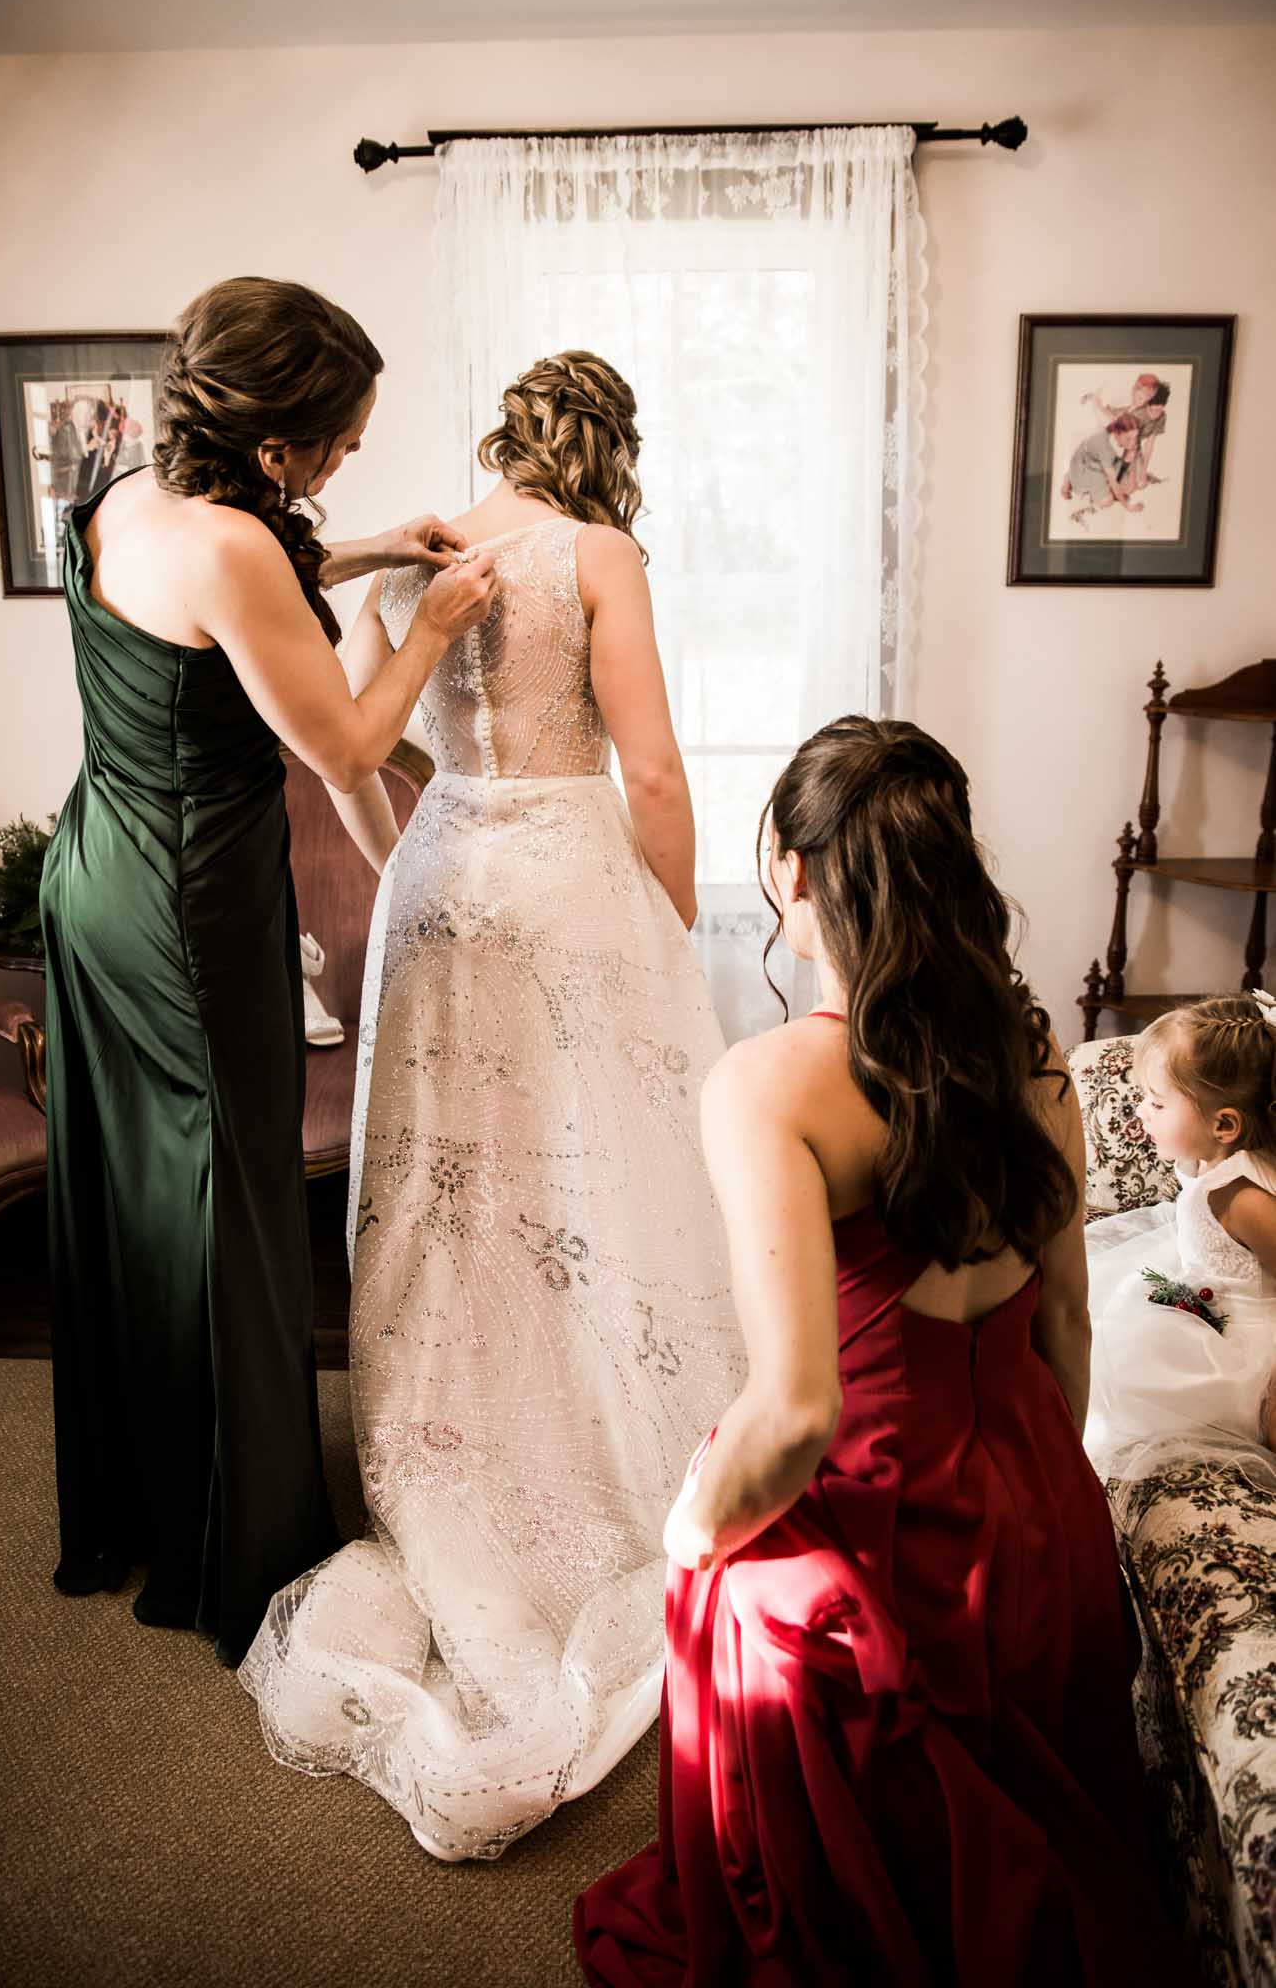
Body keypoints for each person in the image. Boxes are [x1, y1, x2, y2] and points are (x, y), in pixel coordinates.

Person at [575, 717, 1183, 1985]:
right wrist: (1039, 1514)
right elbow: (1067, 1327)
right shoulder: (1039, 1059)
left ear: (791, 872)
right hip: (1036, 1515)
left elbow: (799, 1412)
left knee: (720, 1551)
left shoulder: (768, 1083)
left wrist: (690, 1534)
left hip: (880, 1532)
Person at [240, 351, 744, 1858]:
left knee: (449, 1185)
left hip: (443, 870)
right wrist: (669, 918)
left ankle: (444, 1438)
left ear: (503, 441)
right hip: (569, 877)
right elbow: (652, 769)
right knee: (596, 1174)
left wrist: (414, 853)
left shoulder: (420, 554)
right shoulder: (596, 556)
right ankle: (601, 1433)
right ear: (608, 446)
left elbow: (363, 744)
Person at [40, 276, 497, 1668]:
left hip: (94, 873)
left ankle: (138, 1495)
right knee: (228, 1198)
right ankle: (233, 1538)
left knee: (137, 1191)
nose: (350, 459)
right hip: (189, 907)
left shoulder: (124, 490)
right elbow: (347, 746)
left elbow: (226, 595)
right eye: (342, 442)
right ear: (276, 445)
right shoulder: (238, 544)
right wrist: (433, 620)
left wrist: (362, 550)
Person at [1084, 994, 1276, 1488]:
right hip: (1203, 1298)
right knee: (1103, 1320)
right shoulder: (1209, 1162)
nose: (1141, 1112)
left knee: (1128, 1365)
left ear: (1224, 1125)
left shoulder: (1243, 1197)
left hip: (1244, 1343)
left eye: (1157, 1103)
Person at [1061, 413, 1145, 524]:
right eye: (1128, 438)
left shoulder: (1114, 435)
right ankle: (1076, 486)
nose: (1133, 442)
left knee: (1127, 485)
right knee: (1108, 501)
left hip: (1095, 465)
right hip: (1084, 470)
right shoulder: (1105, 447)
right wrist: (1128, 506)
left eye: (1135, 438)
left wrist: (1130, 456)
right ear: (1117, 433)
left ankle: (1072, 480)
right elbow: (1113, 481)